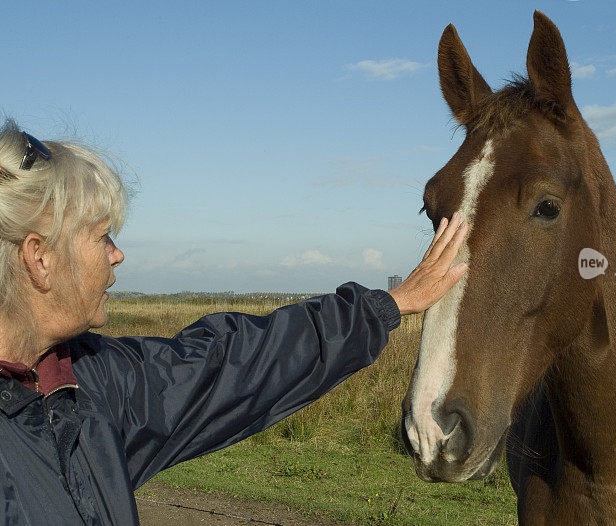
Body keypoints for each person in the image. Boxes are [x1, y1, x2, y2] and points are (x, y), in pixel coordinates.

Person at [0, 119, 469, 525]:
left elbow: (230, 364)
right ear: (39, 257)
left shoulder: (86, 382)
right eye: (102, 236)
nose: (118, 254)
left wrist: (385, 306)